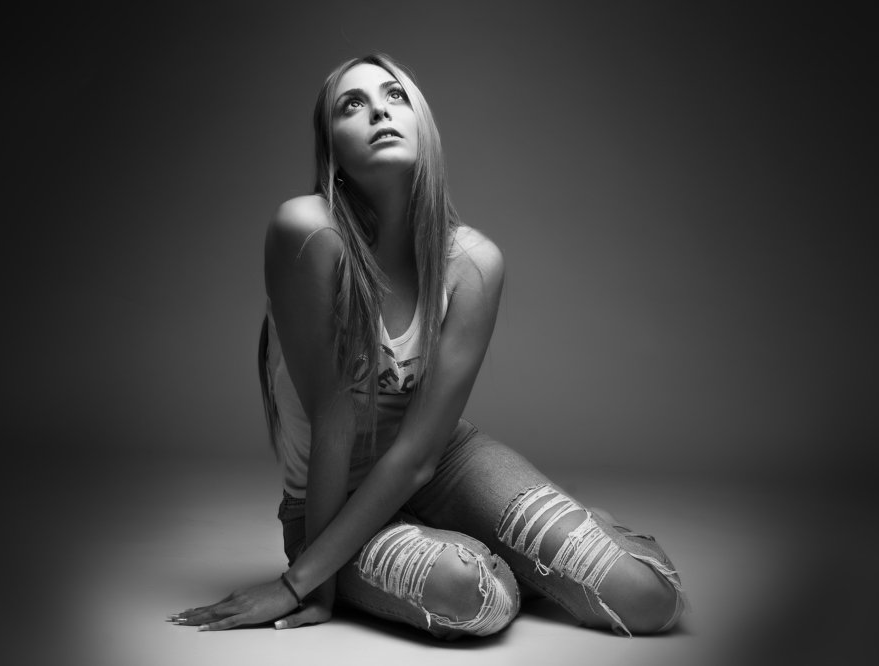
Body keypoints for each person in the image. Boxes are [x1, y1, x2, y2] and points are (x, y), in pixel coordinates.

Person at [168, 53, 685, 639]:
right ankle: (504, 553)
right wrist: (306, 583)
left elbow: (419, 455)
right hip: (332, 503)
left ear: (423, 125)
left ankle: (565, 537)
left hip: (442, 466)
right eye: (352, 104)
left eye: (395, 96)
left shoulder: (473, 263)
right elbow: (335, 420)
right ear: (331, 150)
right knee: (476, 598)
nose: (379, 112)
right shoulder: (308, 231)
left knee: (650, 600)